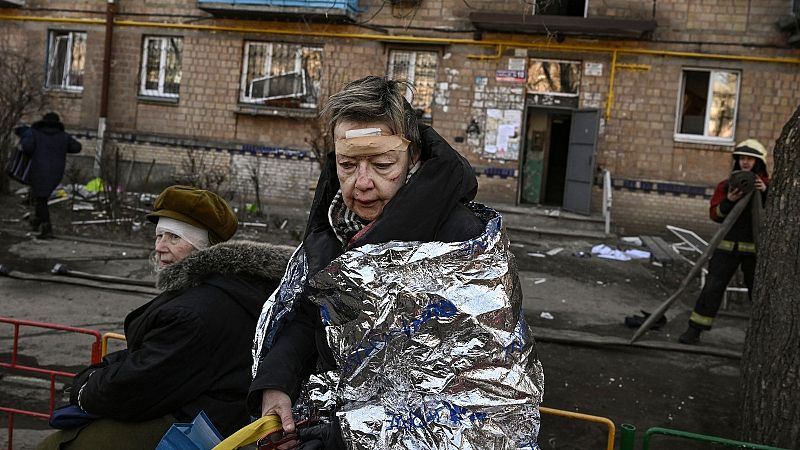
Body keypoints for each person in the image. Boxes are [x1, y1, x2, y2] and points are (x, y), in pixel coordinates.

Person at [248, 76, 544, 449]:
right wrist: (277, 384)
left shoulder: (460, 240)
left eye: (383, 164)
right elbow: (312, 316)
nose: (363, 182)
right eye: (348, 165)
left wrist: (338, 438)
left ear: (412, 159)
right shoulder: (335, 228)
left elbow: (483, 402)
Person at [38, 185, 292, 450]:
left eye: (173, 237)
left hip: (193, 427)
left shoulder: (195, 311)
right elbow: (151, 356)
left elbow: (135, 387)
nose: (160, 247)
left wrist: (84, 387)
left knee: (56, 446)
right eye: (159, 236)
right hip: (212, 416)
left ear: (204, 247)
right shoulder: (230, 285)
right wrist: (103, 370)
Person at [678, 139, 770, 345]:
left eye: (750, 159)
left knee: (759, 292)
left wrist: (765, 192)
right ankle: (695, 330)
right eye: (742, 159)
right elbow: (715, 215)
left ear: (758, 163)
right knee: (712, 288)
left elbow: (776, 215)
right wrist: (729, 199)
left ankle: (763, 340)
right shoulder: (726, 185)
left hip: (755, 251)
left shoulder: (768, 187)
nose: (745, 163)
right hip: (726, 248)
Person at [20, 112, 82, 239]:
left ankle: (47, 229)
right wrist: (61, 147)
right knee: (41, 197)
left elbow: (27, 147)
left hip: (38, 169)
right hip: (56, 172)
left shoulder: (35, 133)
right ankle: (37, 221)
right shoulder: (63, 136)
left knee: (41, 199)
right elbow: (77, 147)